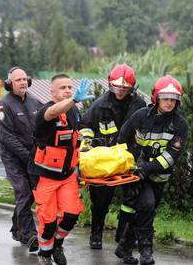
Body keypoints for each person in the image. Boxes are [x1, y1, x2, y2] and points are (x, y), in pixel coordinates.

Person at [117, 75, 188, 265]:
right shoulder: (140, 116)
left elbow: (172, 156)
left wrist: (145, 169)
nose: (170, 103)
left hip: (157, 177)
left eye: (173, 99)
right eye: (166, 98)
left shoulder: (180, 124)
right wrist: (127, 164)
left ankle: (124, 246)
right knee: (146, 206)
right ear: (156, 98)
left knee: (146, 212)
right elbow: (123, 139)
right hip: (135, 174)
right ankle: (146, 252)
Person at [28, 74, 94, 265]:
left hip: (66, 175)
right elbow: (52, 112)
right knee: (47, 222)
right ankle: (45, 255)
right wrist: (72, 100)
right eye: (62, 88)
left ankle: (57, 244)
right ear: (52, 92)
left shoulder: (74, 111)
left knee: (72, 214)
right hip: (43, 176)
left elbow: (76, 135)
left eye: (69, 88)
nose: (67, 91)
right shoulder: (45, 111)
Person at [79, 64, 146, 252]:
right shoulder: (100, 105)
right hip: (105, 162)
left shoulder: (139, 106)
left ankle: (122, 237)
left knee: (131, 200)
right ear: (110, 84)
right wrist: (88, 146)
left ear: (132, 88)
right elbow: (85, 125)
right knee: (100, 201)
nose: (120, 91)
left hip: (127, 160)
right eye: (117, 87)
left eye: (125, 88)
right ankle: (96, 235)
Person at [0, 67, 40, 252]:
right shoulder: (3, 106)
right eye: (18, 80)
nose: (22, 82)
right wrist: (28, 155)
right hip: (13, 158)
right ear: (9, 84)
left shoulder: (35, 102)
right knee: (24, 192)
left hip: (32, 157)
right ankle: (30, 236)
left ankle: (16, 228)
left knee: (30, 194)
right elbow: (6, 137)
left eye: (24, 79)